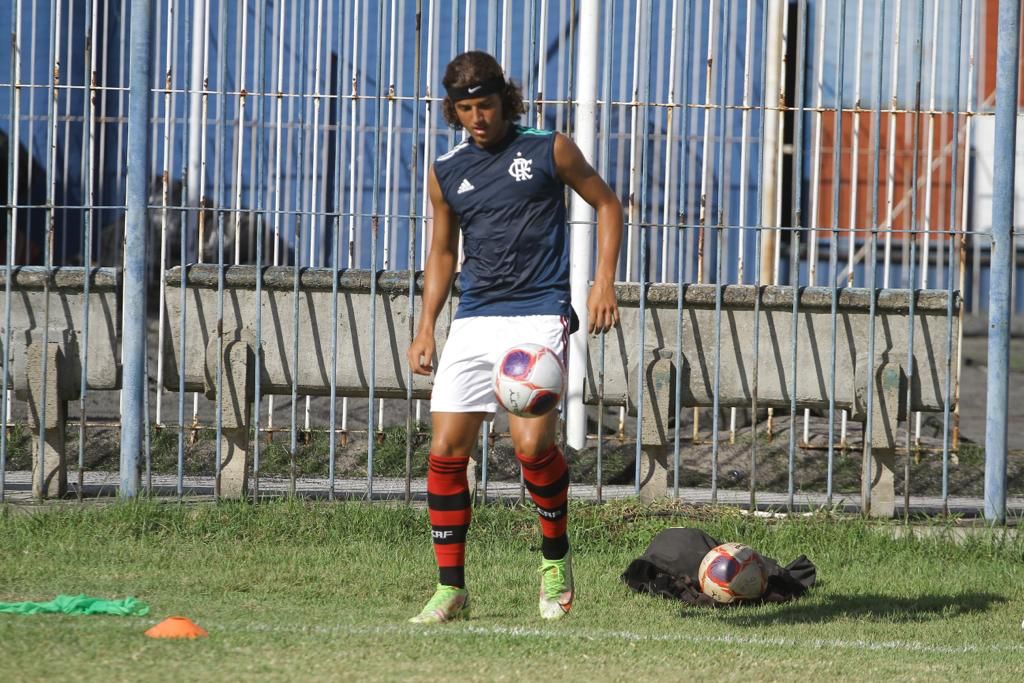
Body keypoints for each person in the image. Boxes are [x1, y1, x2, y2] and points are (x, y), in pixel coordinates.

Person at [406, 51, 623, 623]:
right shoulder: (446, 171)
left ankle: (555, 559)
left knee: (530, 448)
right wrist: (427, 326)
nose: (478, 118)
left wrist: (603, 283)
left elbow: (606, 203)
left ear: (506, 99)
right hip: (475, 317)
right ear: (453, 111)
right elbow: (444, 251)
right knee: (445, 452)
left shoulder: (548, 147)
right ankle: (450, 588)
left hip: (538, 313)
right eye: (465, 109)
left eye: (486, 105)